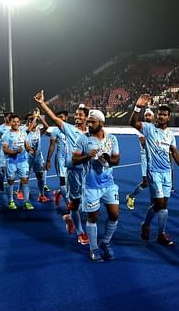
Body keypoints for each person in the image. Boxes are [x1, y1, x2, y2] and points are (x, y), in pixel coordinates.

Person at [129, 94, 179, 246]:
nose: (161, 116)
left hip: (166, 173)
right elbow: (133, 122)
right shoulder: (148, 128)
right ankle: (147, 225)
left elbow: (174, 152)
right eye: (160, 114)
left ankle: (160, 234)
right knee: (159, 204)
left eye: (164, 115)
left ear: (169, 118)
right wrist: (137, 107)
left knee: (163, 206)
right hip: (153, 172)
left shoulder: (170, 134)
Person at [35, 90, 89, 244]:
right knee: (75, 204)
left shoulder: (91, 133)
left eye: (80, 115)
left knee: (85, 204)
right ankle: (80, 232)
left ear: (86, 118)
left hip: (87, 173)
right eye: (76, 115)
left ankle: (69, 217)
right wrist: (42, 104)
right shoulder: (69, 128)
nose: (77, 117)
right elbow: (53, 117)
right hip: (73, 172)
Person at [72, 109, 120, 262]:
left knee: (114, 214)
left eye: (93, 122)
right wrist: (88, 156)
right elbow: (74, 160)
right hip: (91, 185)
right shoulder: (83, 139)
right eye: (88, 122)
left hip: (109, 184)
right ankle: (93, 249)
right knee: (93, 217)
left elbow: (116, 160)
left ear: (101, 123)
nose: (89, 124)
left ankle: (105, 241)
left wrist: (107, 160)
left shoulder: (112, 139)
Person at [1, 114, 34, 210]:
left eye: (17, 121)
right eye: (14, 121)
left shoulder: (23, 133)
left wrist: (29, 149)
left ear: (19, 122)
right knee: (10, 181)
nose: (16, 123)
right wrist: (16, 151)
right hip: (11, 162)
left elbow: (26, 144)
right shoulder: (6, 135)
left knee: (25, 180)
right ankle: (11, 201)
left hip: (23, 161)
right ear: (10, 122)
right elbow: (5, 150)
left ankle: (26, 202)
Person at [126, 108, 154, 210]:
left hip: (154, 157)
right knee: (146, 182)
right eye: (146, 115)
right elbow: (143, 142)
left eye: (149, 115)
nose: (147, 117)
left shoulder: (155, 128)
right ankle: (131, 196)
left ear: (153, 117)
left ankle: (154, 203)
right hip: (145, 158)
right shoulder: (142, 127)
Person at [46, 111, 69, 213]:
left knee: (72, 183)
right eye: (58, 117)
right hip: (60, 159)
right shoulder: (55, 131)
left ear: (66, 118)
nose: (60, 119)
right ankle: (68, 203)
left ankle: (58, 193)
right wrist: (48, 160)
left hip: (72, 159)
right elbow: (52, 146)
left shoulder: (71, 129)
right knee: (63, 181)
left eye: (62, 117)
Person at [26, 113, 51, 203]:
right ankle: (22, 193)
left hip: (38, 157)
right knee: (26, 176)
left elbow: (47, 126)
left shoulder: (38, 131)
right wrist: (35, 117)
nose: (33, 122)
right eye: (31, 120)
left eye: (35, 121)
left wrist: (39, 116)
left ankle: (41, 195)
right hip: (28, 157)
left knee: (40, 175)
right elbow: (29, 128)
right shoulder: (26, 131)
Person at [0, 112, 12, 191]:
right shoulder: (0, 128)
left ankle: (11, 187)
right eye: (8, 117)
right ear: (4, 118)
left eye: (10, 117)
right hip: (4, 152)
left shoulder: (15, 127)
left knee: (12, 170)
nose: (9, 118)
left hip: (13, 152)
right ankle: (1, 182)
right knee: (3, 170)